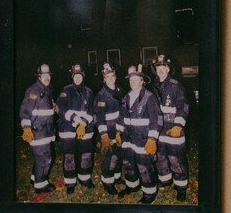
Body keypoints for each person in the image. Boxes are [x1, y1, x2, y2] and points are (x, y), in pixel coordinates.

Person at [119, 65, 162, 204]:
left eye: (135, 80)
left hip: (144, 140)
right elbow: (122, 117)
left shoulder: (149, 97)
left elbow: (157, 119)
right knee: (129, 164)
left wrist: (152, 139)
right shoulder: (126, 97)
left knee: (144, 167)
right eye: (131, 80)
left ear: (142, 81)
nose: (132, 82)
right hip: (128, 139)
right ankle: (132, 186)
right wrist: (119, 132)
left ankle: (149, 194)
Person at [153, 55, 191, 199]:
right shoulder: (154, 85)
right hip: (159, 129)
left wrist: (178, 125)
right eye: (158, 68)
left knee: (176, 159)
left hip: (174, 130)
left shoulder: (176, 86)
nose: (160, 70)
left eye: (163, 68)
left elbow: (184, 106)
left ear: (168, 69)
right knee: (161, 157)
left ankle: (181, 187)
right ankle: (165, 180)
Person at [55, 63, 95, 194]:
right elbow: (60, 108)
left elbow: (92, 111)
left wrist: (83, 122)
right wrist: (75, 118)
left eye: (80, 76)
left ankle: (85, 178)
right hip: (68, 129)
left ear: (83, 76)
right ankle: (70, 182)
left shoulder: (89, 92)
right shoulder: (65, 90)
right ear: (72, 77)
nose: (77, 78)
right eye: (75, 76)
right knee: (69, 156)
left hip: (85, 129)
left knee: (85, 155)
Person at [20, 63, 57, 194]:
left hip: (45, 131)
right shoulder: (34, 91)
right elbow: (25, 111)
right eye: (44, 75)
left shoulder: (46, 90)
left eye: (48, 75)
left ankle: (34, 178)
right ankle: (40, 186)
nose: (47, 77)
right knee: (45, 158)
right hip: (37, 131)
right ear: (39, 76)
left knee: (40, 157)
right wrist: (26, 128)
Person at [92, 63, 125, 196]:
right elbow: (98, 118)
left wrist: (120, 131)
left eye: (112, 76)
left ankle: (117, 178)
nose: (110, 78)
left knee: (118, 156)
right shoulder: (101, 96)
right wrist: (104, 136)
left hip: (118, 130)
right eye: (107, 76)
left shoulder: (120, 91)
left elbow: (123, 112)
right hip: (107, 132)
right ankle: (107, 182)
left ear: (115, 77)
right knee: (109, 158)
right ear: (104, 79)